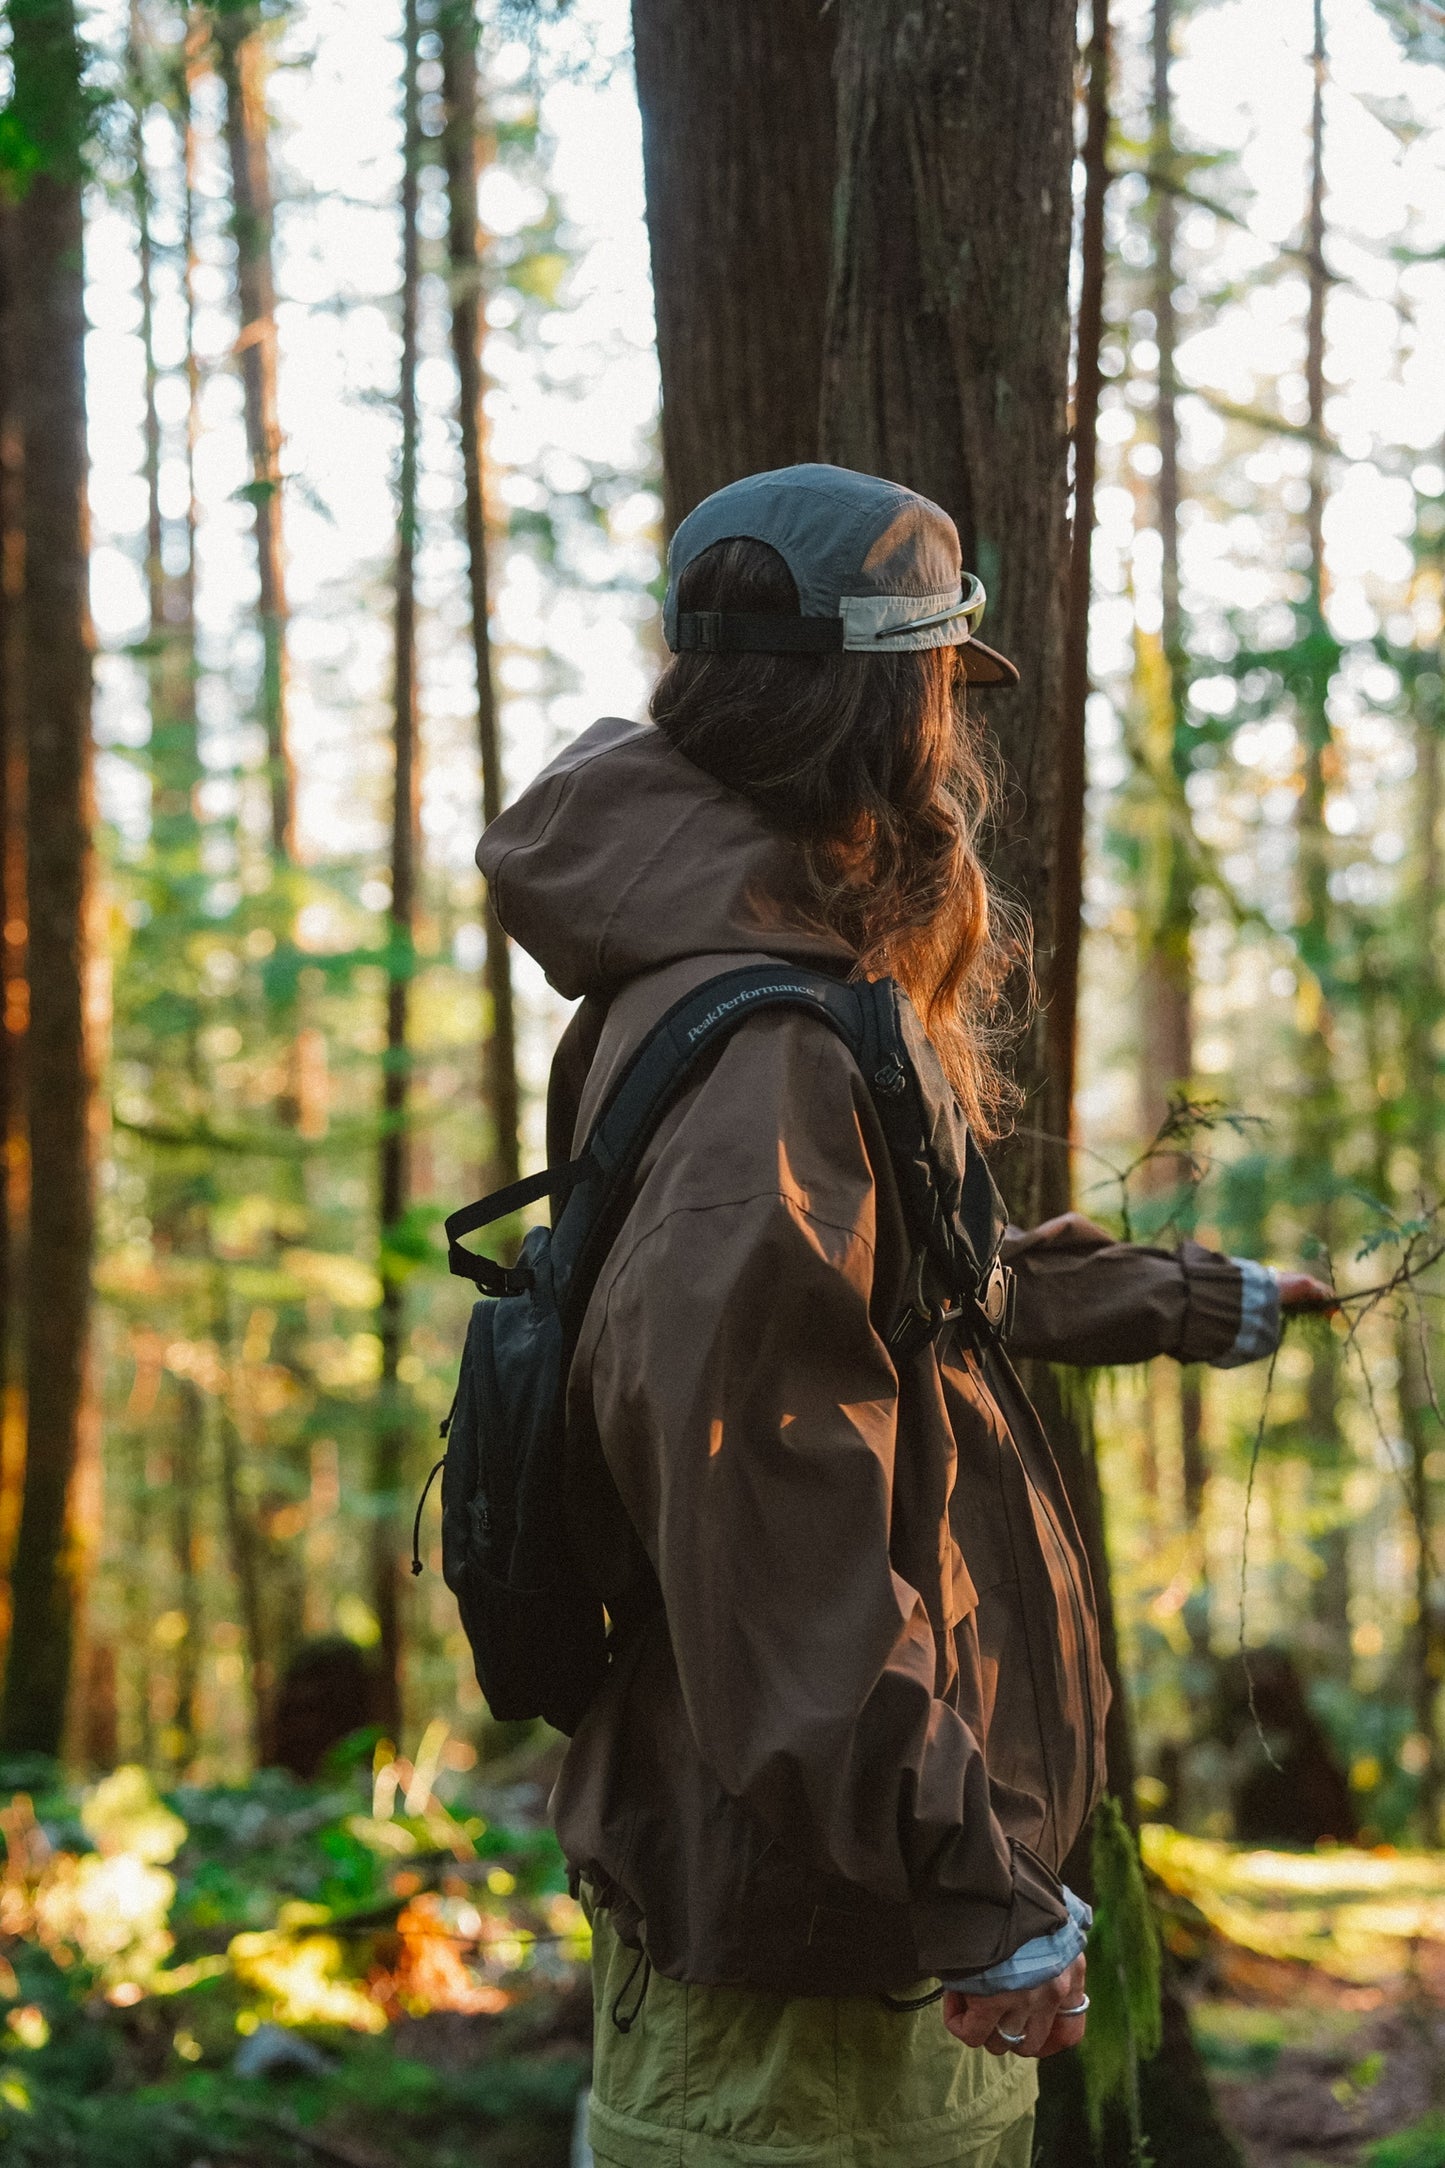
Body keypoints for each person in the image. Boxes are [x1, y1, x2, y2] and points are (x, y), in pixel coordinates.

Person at [475, 465, 1332, 2168]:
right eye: (943, 680)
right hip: (822, 1955)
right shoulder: (777, 1052)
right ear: (888, 701)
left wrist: (1184, 1296)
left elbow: (929, 1284)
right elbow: (768, 1519)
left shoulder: (766, 985)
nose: (953, 729)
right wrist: (970, 1889)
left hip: (842, 1912)